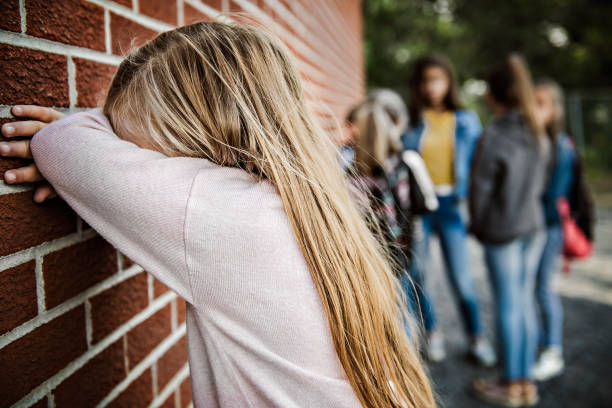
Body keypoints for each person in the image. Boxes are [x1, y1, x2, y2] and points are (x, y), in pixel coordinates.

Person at [0, 22, 435, 408]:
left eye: (133, 149)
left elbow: (59, 145)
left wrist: (91, 130)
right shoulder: (311, 199)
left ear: (195, 147)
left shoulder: (226, 215)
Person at [402, 54, 495, 366]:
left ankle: (476, 337)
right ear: (419, 85)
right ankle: (432, 332)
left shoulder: (466, 120)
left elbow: (481, 165)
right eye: (426, 80)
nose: (432, 87)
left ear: (448, 82)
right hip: (420, 208)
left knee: (461, 278)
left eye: (438, 80)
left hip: (452, 207)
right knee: (419, 274)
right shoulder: (412, 121)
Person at [469, 54, 550, 407]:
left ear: (493, 94)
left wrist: (479, 226)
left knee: (508, 306)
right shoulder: (536, 130)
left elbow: (480, 192)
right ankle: (525, 382)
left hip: (502, 231)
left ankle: (509, 382)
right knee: (523, 303)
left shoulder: (496, 134)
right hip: (532, 226)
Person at [343, 90, 438, 339]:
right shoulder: (402, 165)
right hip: (403, 250)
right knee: (403, 308)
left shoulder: (353, 176)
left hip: (372, 257)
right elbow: (419, 206)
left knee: (386, 316)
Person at [531, 79, 576, 381]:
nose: (534, 110)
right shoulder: (536, 141)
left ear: (555, 109)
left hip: (547, 229)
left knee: (544, 289)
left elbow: (553, 197)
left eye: (541, 103)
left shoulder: (561, 146)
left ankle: (553, 349)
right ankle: (540, 343)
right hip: (534, 228)